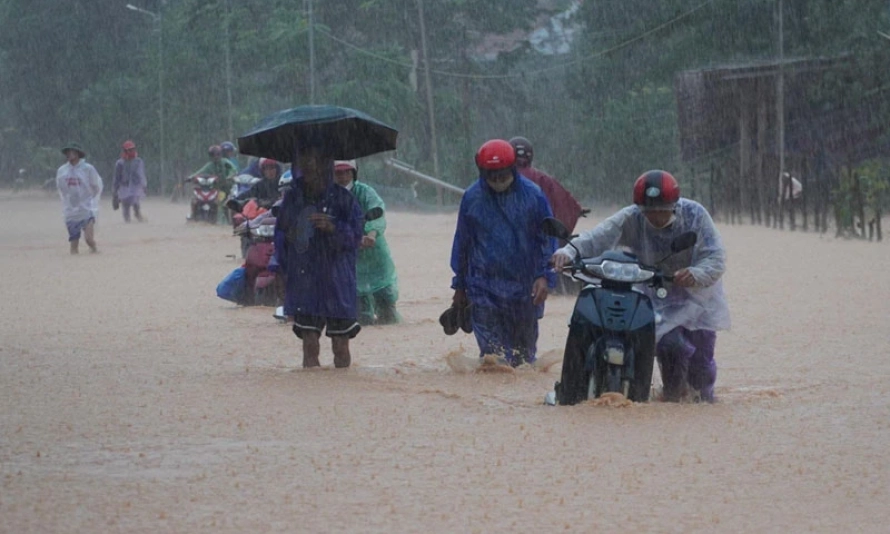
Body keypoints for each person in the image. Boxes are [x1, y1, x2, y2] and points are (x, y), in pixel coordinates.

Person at [551, 170, 731, 402]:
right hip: (657, 292)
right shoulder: (632, 217)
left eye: (662, 211)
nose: (656, 217)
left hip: (698, 297)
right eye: (650, 212)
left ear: (674, 206)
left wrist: (696, 274)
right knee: (669, 347)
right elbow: (597, 237)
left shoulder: (695, 215)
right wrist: (568, 251)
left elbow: (716, 256)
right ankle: (672, 399)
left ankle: (702, 401)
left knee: (701, 366)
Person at [449, 139, 556, 367]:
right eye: (492, 176)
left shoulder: (533, 196)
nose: (498, 181)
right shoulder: (472, 198)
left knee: (523, 360)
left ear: (513, 170)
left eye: (502, 175)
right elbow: (463, 243)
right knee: (493, 360)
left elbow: (547, 240)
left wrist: (544, 276)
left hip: (524, 289)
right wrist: (459, 286)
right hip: (483, 289)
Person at [273, 147, 364, 368]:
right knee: (309, 344)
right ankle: (311, 393)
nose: (310, 171)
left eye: (314, 165)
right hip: (304, 278)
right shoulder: (293, 199)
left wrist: (333, 227)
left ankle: (341, 396)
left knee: (341, 345)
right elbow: (281, 237)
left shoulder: (344, 199)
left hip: (337, 279)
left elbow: (355, 237)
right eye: (304, 165)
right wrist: (279, 270)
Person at [509, 136, 585, 294]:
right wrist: (577, 210)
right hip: (539, 244)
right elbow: (564, 203)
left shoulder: (498, 178)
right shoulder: (542, 178)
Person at [332, 160, 401, 325]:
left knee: (386, 306)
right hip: (349, 257)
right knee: (360, 312)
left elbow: (377, 213)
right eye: (338, 173)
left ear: (353, 173)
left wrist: (370, 235)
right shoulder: (328, 196)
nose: (342, 177)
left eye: (346, 172)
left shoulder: (365, 192)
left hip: (375, 254)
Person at [56, 143, 103, 254]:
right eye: (67, 152)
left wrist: (88, 199)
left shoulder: (88, 169)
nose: (68, 154)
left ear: (77, 154)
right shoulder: (62, 170)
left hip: (86, 209)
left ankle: (94, 250)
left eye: (71, 152)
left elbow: (95, 186)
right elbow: (61, 188)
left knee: (89, 239)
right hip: (71, 210)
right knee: (74, 243)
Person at [188, 145, 237, 222]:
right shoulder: (209, 165)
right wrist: (190, 177)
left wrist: (230, 176)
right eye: (212, 155)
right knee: (196, 199)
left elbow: (233, 169)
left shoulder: (225, 162)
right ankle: (194, 216)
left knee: (221, 204)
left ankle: (223, 221)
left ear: (221, 154)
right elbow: (200, 172)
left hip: (228, 189)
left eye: (217, 154)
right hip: (216, 190)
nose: (215, 157)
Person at [112, 140, 147, 223]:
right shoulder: (119, 163)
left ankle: (138, 216)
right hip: (124, 186)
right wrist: (115, 193)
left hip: (135, 186)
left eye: (133, 149)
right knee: (125, 205)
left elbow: (141, 174)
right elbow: (116, 178)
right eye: (129, 150)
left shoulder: (138, 161)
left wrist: (144, 185)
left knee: (136, 203)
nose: (132, 151)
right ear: (125, 151)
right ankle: (127, 222)